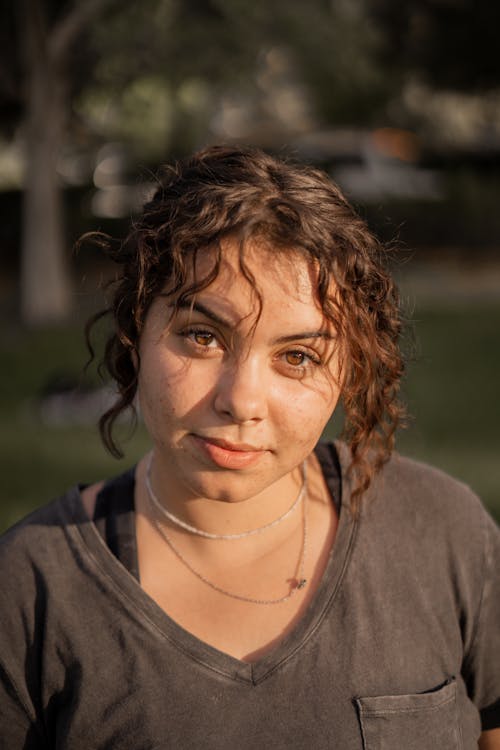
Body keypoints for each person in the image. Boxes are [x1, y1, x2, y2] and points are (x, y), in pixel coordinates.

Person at [0, 145, 498, 749]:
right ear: (136, 331)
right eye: (203, 336)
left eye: (297, 356)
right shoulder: (28, 589)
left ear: (348, 369)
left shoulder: (444, 532)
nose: (242, 400)